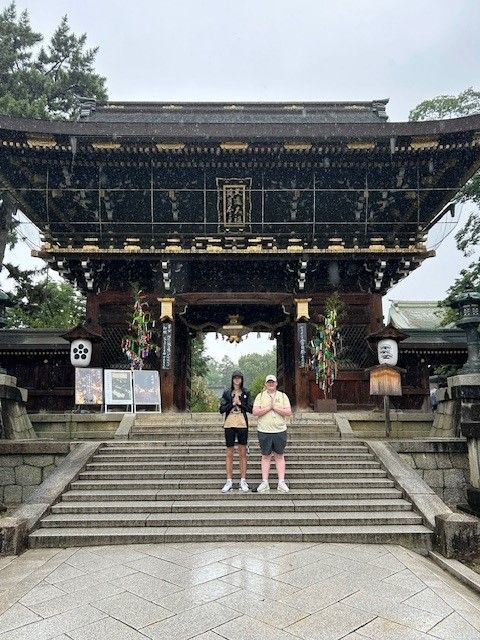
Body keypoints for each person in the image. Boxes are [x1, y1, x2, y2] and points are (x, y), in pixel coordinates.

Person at [252, 374, 292, 493]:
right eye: (268, 382)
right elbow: (255, 411)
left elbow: (288, 411)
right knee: (265, 456)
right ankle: (264, 482)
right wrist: (269, 407)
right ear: (265, 384)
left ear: (276, 384)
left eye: (272, 382)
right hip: (264, 430)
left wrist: (275, 408)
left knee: (279, 455)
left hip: (279, 430)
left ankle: (281, 482)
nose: (270, 384)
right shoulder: (260, 396)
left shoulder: (283, 396)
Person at [219, 370, 253, 492]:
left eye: (239, 378)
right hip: (229, 424)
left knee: (242, 453)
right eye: (235, 378)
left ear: (242, 379)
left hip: (242, 424)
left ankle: (243, 480)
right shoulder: (227, 392)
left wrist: (240, 403)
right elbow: (221, 409)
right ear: (232, 379)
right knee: (229, 453)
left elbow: (251, 409)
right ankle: (229, 480)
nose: (237, 380)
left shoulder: (246, 392)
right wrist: (232, 404)